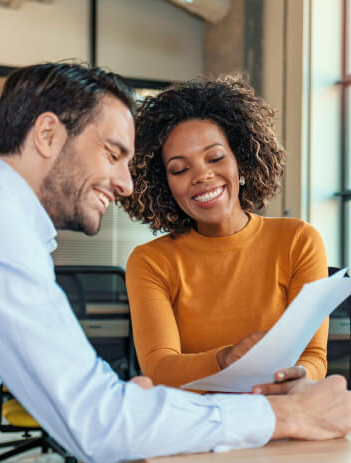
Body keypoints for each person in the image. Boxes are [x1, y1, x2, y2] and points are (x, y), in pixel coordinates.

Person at [0, 63, 351, 463]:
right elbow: (94, 425)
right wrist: (282, 414)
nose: (124, 183)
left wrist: (119, 401)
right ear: (48, 134)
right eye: (113, 154)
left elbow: (90, 402)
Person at [122, 75, 328, 390]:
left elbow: (313, 356)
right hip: (195, 422)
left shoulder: (298, 240)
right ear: (165, 185)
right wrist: (226, 359)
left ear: (241, 162)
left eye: (215, 157)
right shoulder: (150, 261)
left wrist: (299, 376)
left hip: (279, 411)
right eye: (180, 169)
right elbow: (159, 368)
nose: (202, 175)